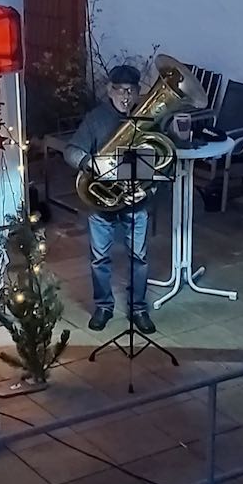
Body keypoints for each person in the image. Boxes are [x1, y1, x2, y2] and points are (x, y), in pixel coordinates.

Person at [63, 64, 157, 334]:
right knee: (99, 258)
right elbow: (71, 150)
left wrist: (148, 190)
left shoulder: (147, 119)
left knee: (139, 259)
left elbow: (163, 161)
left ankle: (139, 309)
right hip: (102, 203)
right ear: (109, 90)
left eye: (131, 91)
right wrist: (88, 162)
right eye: (119, 90)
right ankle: (103, 306)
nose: (125, 96)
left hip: (136, 202)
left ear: (138, 92)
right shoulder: (96, 118)